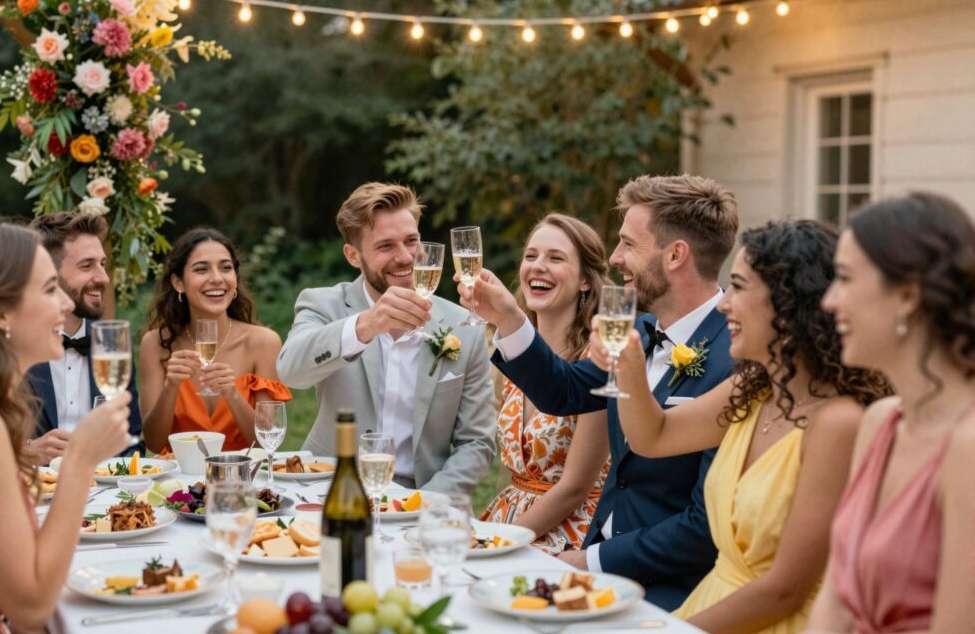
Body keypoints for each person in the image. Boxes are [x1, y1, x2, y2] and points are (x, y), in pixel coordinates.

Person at [594, 220, 889, 634]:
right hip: (709, 608)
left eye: (739, 287)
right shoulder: (751, 388)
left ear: (789, 304)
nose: (724, 304)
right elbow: (652, 437)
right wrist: (626, 367)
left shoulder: (838, 423)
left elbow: (786, 590)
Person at [460, 174, 737, 610]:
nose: (615, 257)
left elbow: (703, 528)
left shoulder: (733, 359)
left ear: (676, 255)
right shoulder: (639, 332)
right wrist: (510, 320)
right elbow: (564, 393)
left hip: (669, 591)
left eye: (629, 244)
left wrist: (588, 560)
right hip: (593, 558)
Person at [779, 193, 975, 634]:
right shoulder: (880, 422)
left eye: (845, 278)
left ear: (907, 294)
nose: (828, 301)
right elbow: (840, 596)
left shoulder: (968, 448)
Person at [0, 223, 131, 634]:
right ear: (3, 313)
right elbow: (31, 603)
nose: (69, 305)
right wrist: (80, 464)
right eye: (51, 289)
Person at [277, 182, 496, 495]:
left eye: (411, 241)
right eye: (386, 246)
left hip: (422, 493)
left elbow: (476, 442)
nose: (406, 257)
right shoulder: (323, 303)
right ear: (353, 256)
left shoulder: (464, 327)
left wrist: (424, 503)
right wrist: (366, 325)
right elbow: (290, 371)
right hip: (330, 487)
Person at [480, 214, 610, 554]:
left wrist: (500, 543)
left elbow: (574, 488)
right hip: (508, 516)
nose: (538, 266)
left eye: (556, 258)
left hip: (569, 532)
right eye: (531, 256)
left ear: (585, 280)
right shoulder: (515, 355)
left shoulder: (598, 360)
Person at [139, 228, 289, 454]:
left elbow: (265, 443)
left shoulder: (264, 343)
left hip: (246, 479)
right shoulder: (155, 344)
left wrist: (232, 394)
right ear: (178, 282)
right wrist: (171, 387)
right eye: (201, 269)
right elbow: (153, 443)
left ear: (235, 280)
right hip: (179, 482)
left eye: (226, 268)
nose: (217, 278)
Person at [25, 212, 143, 460]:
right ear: (49, 272)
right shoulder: (12, 345)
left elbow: (132, 444)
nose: (104, 278)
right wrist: (28, 452)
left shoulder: (113, 345)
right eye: (87, 265)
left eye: (103, 263)